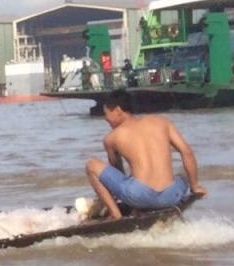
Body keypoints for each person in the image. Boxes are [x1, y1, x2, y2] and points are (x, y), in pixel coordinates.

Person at [84, 90, 206, 219]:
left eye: (106, 113)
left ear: (118, 110)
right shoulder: (162, 122)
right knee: (182, 177)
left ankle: (115, 214)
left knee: (91, 165)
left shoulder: (111, 138)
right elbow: (187, 152)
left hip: (139, 196)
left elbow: (117, 174)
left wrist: (103, 201)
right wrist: (194, 186)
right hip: (171, 196)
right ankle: (192, 187)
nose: (105, 118)